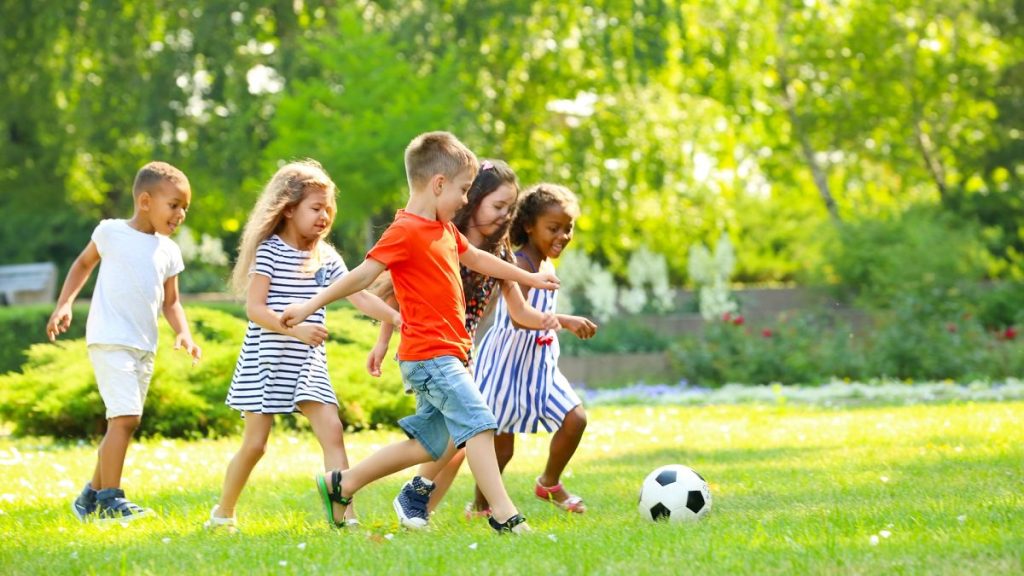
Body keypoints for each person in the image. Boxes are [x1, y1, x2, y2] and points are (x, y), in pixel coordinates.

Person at [281, 132, 559, 534]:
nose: (466, 200)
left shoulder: (443, 230)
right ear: (438, 184)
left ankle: (343, 483)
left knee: (430, 446)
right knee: (479, 422)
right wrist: (309, 306)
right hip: (430, 356)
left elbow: (478, 258)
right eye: (463, 190)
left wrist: (525, 274)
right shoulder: (406, 230)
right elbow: (361, 275)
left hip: (448, 353)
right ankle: (504, 514)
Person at [365, 160, 566, 526]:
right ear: (472, 200)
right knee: (467, 431)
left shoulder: (501, 253)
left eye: (511, 208)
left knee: (450, 444)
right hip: (429, 349)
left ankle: (410, 509)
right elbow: (397, 292)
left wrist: (557, 320)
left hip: (460, 350)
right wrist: (382, 341)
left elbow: (519, 312)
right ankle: (487, 512)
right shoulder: (439, 237)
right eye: (498, 206)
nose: (506, 216)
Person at [204, 160, 400, 531]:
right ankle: (223, 513)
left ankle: (345, 518)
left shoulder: (326, 257)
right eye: (315, 208)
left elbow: (359, 296)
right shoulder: (270, 251)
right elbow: (255, 309)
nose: (324, 216)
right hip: (267, 359)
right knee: (256, 445)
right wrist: (295, 330)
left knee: (332, 430)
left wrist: (397, 319)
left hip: (307, 362)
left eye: (328, 209)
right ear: (289, 209)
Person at [46, 161, 202, 523]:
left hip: (143, 345)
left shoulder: (169, 251)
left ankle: (89, 497)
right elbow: (83, 264)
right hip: (109, 339)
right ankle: (110, 499)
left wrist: (184, 332)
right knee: (125, 418)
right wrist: (64, 303)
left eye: (184, 208)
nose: (180, 214)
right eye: (174, 205)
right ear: (145, 201)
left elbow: (171, 301)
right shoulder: (111, 232)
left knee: (124, 420)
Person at [470, 183, 597, 516]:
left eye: (568, 228)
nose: (563, 236)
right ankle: (481, 506)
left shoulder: (546, 266)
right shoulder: (521, 264)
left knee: (575, 419)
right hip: (505, 363)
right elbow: (518, 318)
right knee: (501, 447)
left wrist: (558, 323)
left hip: (539, 365)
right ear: (529, 225)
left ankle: (549, 483)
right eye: (553, 228)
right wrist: (565, 320)